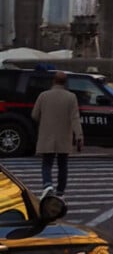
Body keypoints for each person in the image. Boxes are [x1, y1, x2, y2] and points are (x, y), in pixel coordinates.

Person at [31, 70, 83, 199]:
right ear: (65, 82)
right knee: (62, 165)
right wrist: (79, 135)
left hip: (47, 134)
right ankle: (60, 192)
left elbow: (34, 115)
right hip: (64, 135)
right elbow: (75, 118)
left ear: (53, 80)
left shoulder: (43, 95)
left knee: (47, 163)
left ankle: (47, 184)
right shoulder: (71, 97)